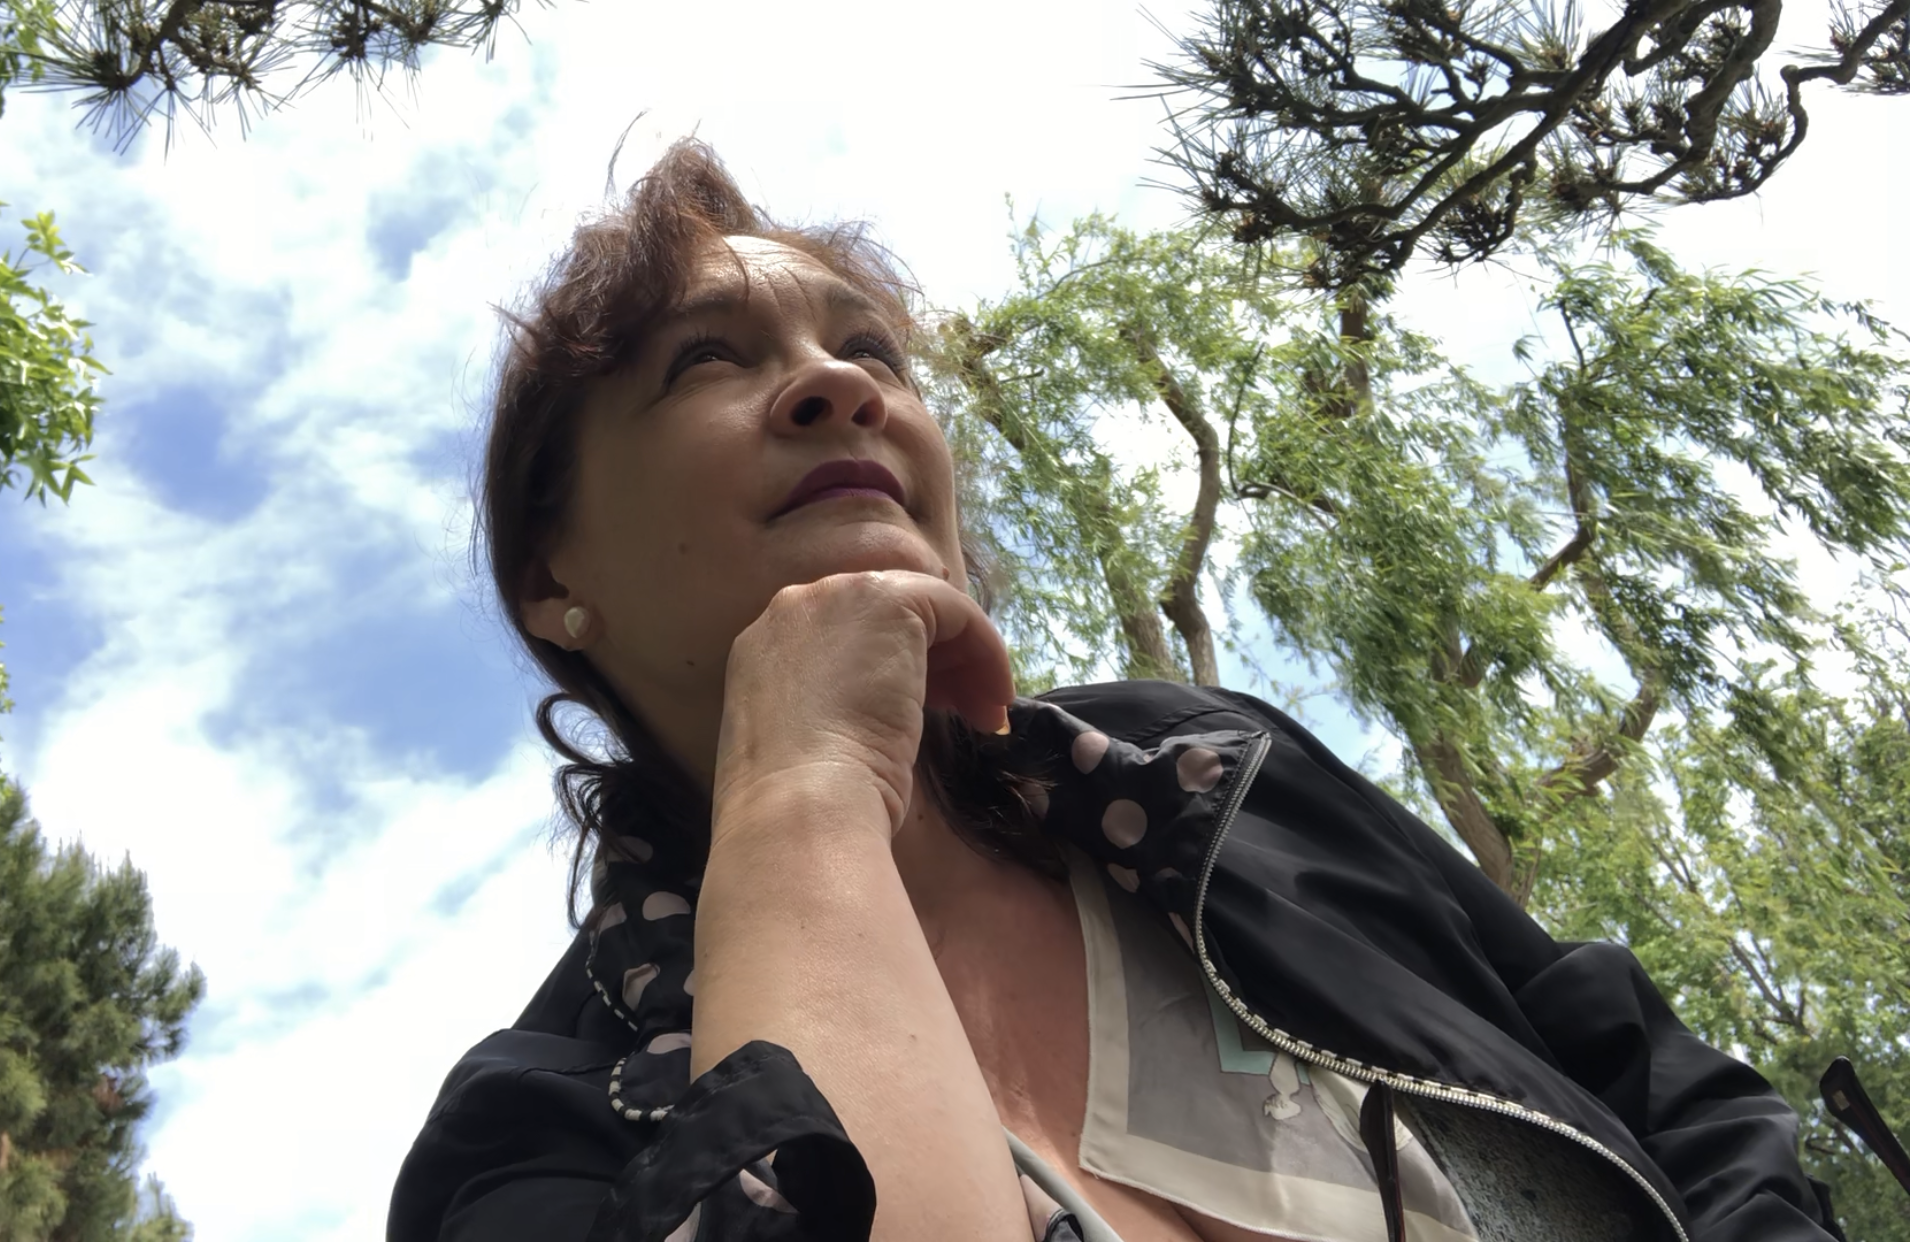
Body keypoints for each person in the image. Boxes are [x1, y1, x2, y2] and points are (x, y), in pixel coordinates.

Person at [385, 139, 1844, 1242]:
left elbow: (1651, 1078)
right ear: (552, 575)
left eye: (869, 348)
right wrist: (801, 792)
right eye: (707, 359)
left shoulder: (1214, 776)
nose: (840, 387)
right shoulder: (533, 1136)